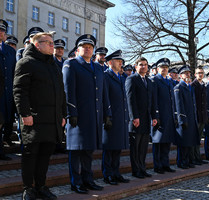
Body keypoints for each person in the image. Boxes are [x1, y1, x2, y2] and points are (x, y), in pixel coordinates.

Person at [14, 32, 66, 200]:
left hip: (52, 119)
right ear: (37, 45)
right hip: (33, 118)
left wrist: (63, 114)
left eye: (52, 43)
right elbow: (20, 91)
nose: (53, 46)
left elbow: (61, 93)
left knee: (45, 155)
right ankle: (28, 188)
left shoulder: (53, 66)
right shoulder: (26, 63)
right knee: (31, 155)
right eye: (49, 43)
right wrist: (25, 113)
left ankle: (41, 186)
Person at [63, 34, 111, 194]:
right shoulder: (71, 64)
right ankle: (75, 182)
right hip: (78, 115)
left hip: (94, 115)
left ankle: (87, 179)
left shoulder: (98, 67)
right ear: (78, 49)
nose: (88, 49)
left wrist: (106, 113)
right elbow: (68, 91)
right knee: (76, 151)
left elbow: (103, 93)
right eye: (84, 46)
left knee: (88, 150)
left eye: (90, 47)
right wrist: (71, 112)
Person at [125, 57, 158, 179]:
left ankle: (142, 168)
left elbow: (152, 100)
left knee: (143, 147)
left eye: (145, 64)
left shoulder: (149, 81)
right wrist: (134, 117)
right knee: (135, 147)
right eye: (141, 64)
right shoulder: (131, 79)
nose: (143, 67)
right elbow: (130, 100)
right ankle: (136, 170)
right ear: (136, 66)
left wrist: (154, 116)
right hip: (136, 119)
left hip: (146, 118)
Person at [102, 50, 130, 185]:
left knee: (117, 147)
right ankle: (108, 174)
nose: (121, 64)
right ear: (110, 62)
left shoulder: (121, 77)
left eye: (121, 61)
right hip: (111, 117)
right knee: (109, 148)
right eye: (118, 61)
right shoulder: (106, 76)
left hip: (121, 116)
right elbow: (104, 97)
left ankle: (116, 172)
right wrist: (107, 115)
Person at [151, 58, 176, 174]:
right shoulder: (155, 80)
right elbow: (154, 99)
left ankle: (165, 164)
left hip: (169, 116)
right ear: (157, 69)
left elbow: (172, 100)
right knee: (158, 142)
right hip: (160, 115)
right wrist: (156, 116)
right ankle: (158, 165)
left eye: (166, 67)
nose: (165, 69)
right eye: (162, 67)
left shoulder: (169, 81)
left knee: (166, 142)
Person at [174, 65, 199, 169]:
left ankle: (187, 160)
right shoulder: (178, 88)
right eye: (186, 73)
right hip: (184, 119)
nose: (188, 74)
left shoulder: (189, 87)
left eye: (189, 73)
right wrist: (182, 119)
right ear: (180, 76)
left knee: (189, 141)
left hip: (191, 118)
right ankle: (181, 161)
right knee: (183, 143)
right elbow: (179, 105)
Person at [0, 19, 16, 160]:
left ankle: (1, 150)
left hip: (8, 93)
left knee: (6, 121)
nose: (0, 33)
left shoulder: (10, 51)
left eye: (2, 30)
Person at [190, 66, 209, 165]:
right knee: (194, 137)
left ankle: (197, 157)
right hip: (195, 116)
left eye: (201, 72)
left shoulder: (203, 86)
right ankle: (193, 158)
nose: (200, 74)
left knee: (199, 137)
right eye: (198, 73)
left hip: (202, 116)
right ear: (195, 74)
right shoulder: (193, 85)